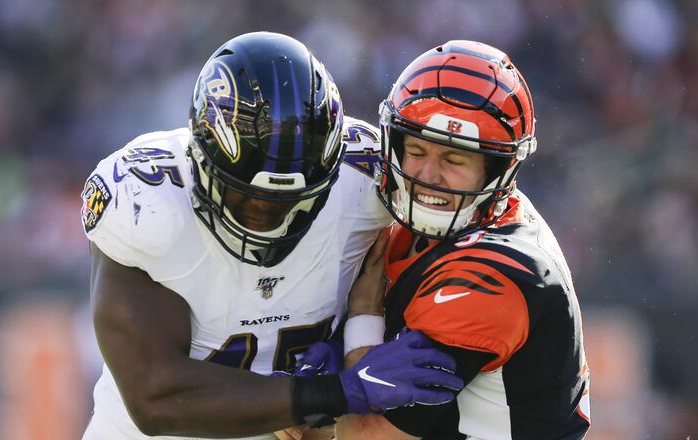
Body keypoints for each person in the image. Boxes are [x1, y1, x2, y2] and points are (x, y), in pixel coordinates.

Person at [80, 32, 463, 440]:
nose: (266, 218)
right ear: (202, 160)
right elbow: (158, 398)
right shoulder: (146, 202)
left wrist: (352, 339)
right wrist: (334, 392)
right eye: (247, 196)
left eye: (290, 202)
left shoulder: (366, 182)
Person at [336, 40, 592, 439]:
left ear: (496, 170)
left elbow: (364, 434)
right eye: (416, 150)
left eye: (454, 159)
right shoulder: (448, 220)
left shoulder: (493, 275)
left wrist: (363, 317)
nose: (427, 175)